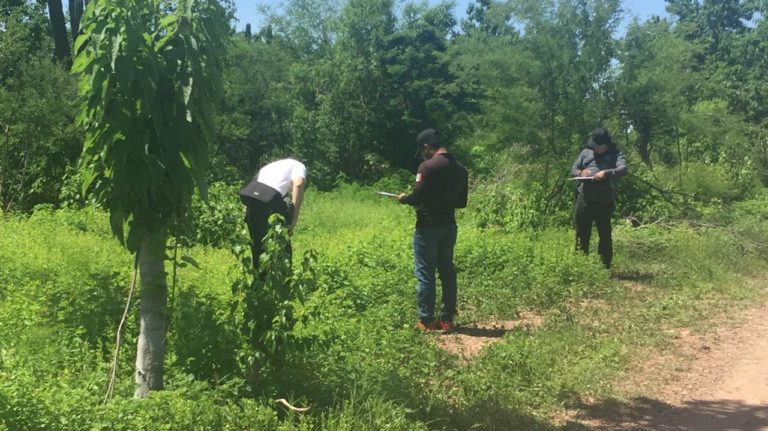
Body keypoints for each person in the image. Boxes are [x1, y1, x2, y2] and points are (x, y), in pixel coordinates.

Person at [397, 128, 468, 331]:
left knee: (425, 273)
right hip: (449, 227)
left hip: (428, 227)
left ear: (427, 147)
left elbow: (417, 197)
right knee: (447, 271)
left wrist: (404, 198)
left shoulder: (427, 167)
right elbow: (461, 202)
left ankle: (426, 320)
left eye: (422, 151)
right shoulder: (461, 169)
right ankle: (446, 320)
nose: (422, 155)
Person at [570, 128, 627, 268]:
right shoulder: (586, 152)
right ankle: (580, 265)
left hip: (603, 200)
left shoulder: (615, 154)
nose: (595, 149)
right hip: (584, 198)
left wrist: (606, 173)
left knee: (604, 234)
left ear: (605, 146)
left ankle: (604, 267)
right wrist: (581, 173)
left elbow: (623, 169)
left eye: (598, 147)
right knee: (581, 234)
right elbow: (574, 169)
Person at [239, 158, 306, 271]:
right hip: (271, 200)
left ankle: (260, 279)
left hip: (251, 202)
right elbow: (298, 184)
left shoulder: (270, 167)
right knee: (281, 244)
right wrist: (293, 218)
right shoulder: (299, 166)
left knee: (258, 246)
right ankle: (282, 277)